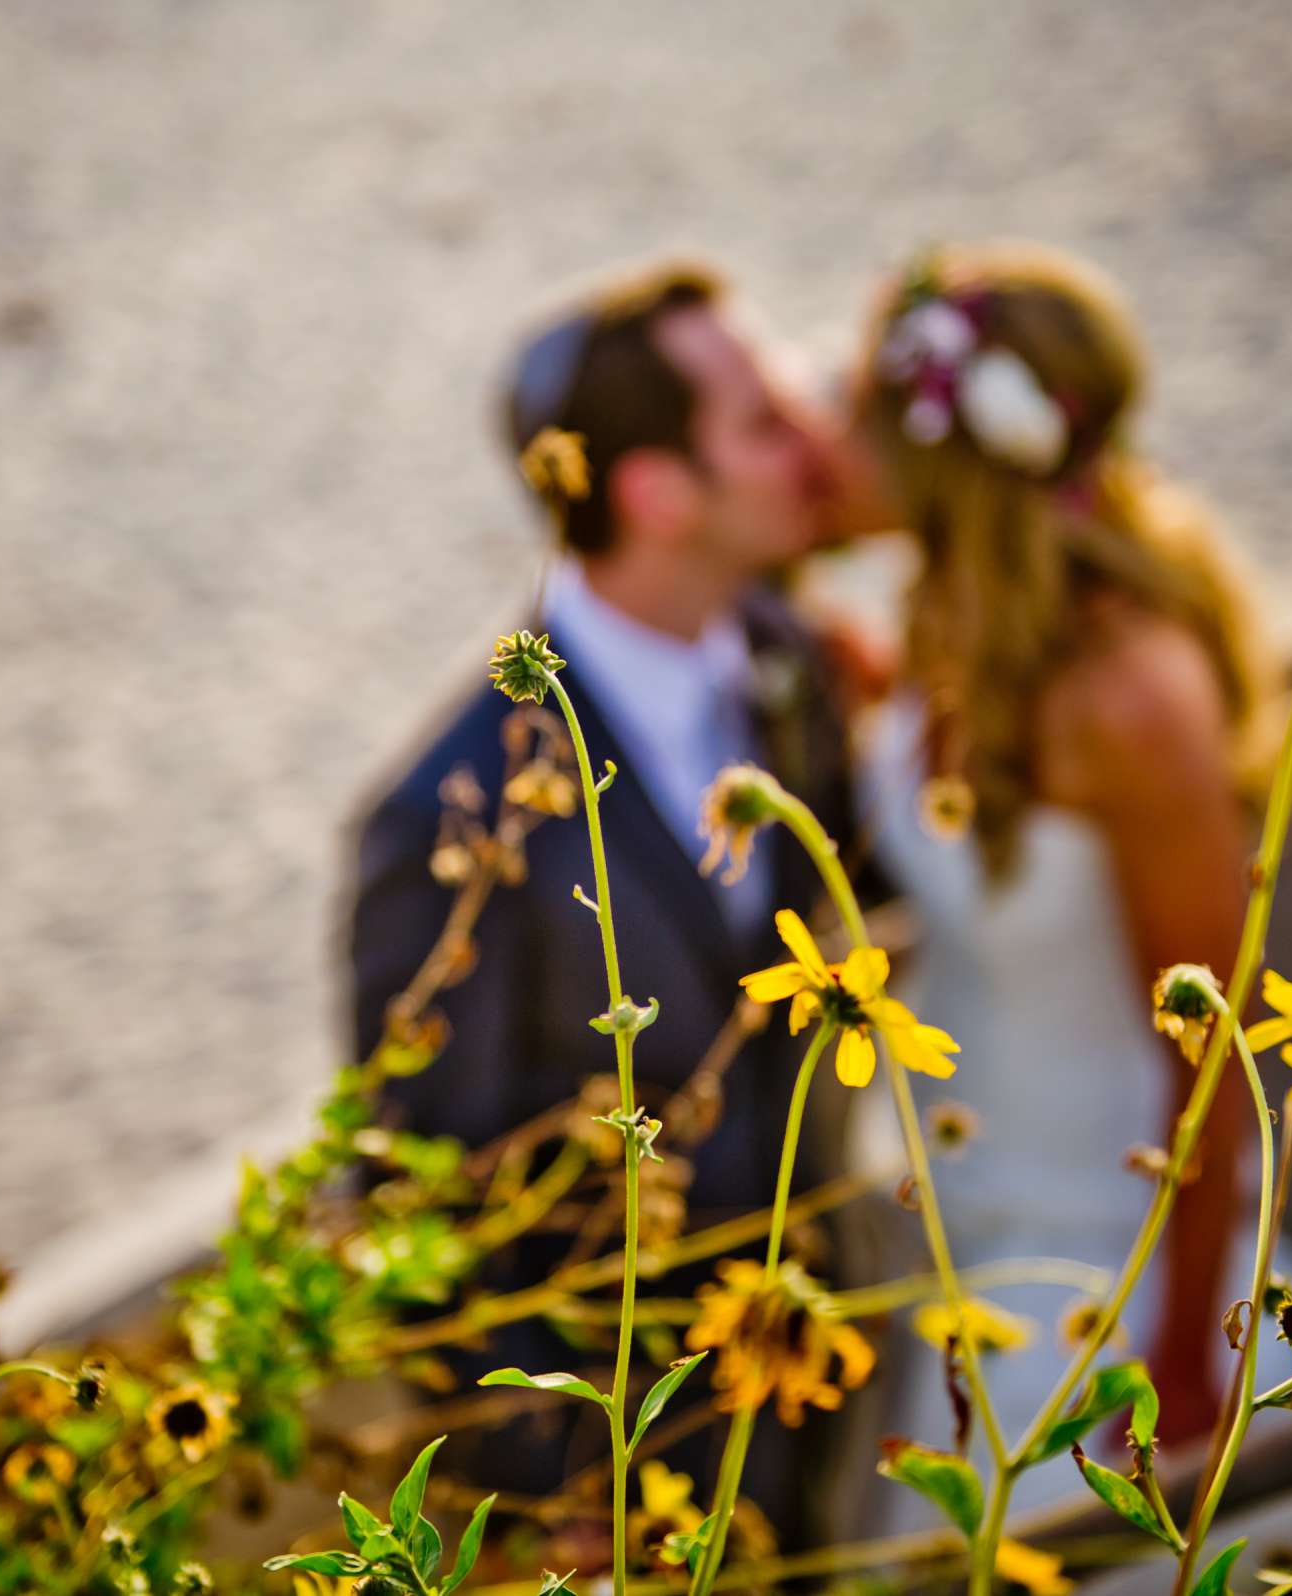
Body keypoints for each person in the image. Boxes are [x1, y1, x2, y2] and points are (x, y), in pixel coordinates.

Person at [346, 260, 859, 1551]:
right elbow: (421, 1204)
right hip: (620, 1465)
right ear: (652, 492)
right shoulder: (440, 822)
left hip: (807, 1387)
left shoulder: (792, 661)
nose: (809, 433)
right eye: (759, 421)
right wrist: (558, 1495)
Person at [832, 242, 1292, 1519]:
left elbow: (1215, 1054)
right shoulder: (953, 610)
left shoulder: (1131, 698)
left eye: (863, 416)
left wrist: (1188, 1364)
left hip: (1110, 1257)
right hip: (958, 1199)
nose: (842, 438)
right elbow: (969, 809)